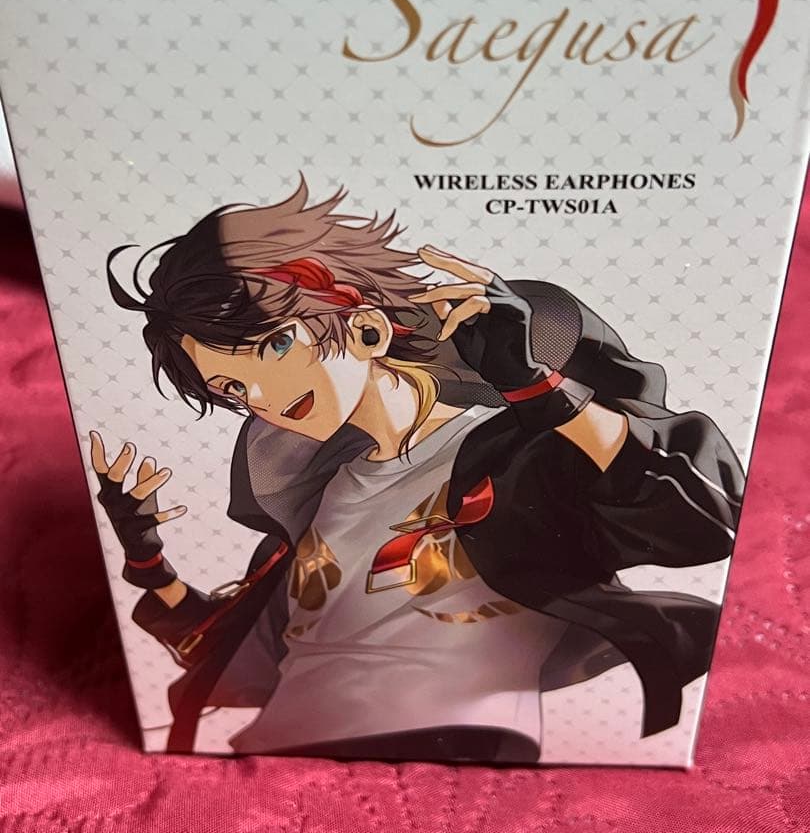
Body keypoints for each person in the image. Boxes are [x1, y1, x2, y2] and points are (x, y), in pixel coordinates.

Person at [90, 179, 743, 760]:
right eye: (231, 387)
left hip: (449, 740)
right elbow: (226, 651)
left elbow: (706, 520)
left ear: (365, 327)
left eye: (272, 346)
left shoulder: (517, 452)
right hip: (281, 752)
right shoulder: (321, 496)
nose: (259, 395)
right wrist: (144, 554)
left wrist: (540, 391)